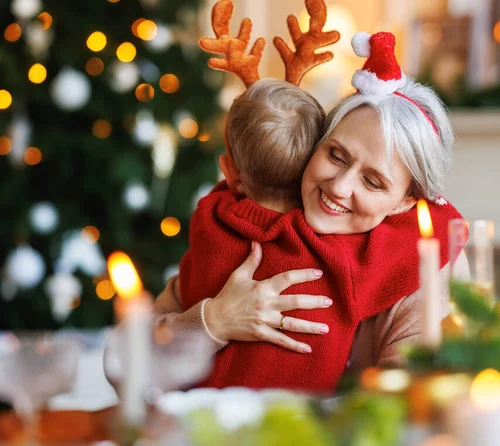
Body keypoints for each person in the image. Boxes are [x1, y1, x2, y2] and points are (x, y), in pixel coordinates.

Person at [158, 31, 467, 392]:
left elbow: (413, 401)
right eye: (336, 155)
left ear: (406, 201)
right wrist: (212, 320)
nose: (339, 186)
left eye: (373, 182)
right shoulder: (235, 220)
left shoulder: (422, 259)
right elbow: (124, 363)